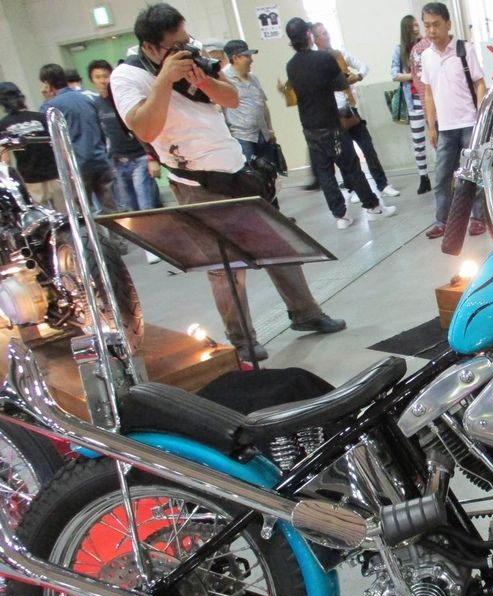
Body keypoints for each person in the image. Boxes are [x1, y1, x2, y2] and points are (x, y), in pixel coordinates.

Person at [111, 3, 346, 363]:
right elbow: (145, 128)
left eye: (186, 40)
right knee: (224, 266)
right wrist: (164, 80)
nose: (184, 49)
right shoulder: (128, 76)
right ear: (150, 47)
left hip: (237, 169)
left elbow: (231, 99)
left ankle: (306, 313)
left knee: (278, 244)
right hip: (196, 182)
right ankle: (242, 340)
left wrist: (202, 79)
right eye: (175, 45)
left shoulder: (193, 59)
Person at [284, 17, 397, 229]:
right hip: (331, 124)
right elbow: (340, 84)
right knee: (351, 166)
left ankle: (340, 216)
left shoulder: (291, 66)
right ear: (308, 35)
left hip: (309, 127)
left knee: (325, 173)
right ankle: (372, 207)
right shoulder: (323, 59)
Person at [419, 1, 487, 240]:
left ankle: (478, 219)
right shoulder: (426, 56)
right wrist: (431, 126)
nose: (431, 31)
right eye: (427, 25)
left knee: (474, 174)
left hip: (469, 123)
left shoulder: (464, 49)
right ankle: (442, 221)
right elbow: (428, 93)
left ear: (448, 24)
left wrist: (480, 116)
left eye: (436, 25)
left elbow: (479, 83)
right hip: (445, 128)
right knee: (442, 178)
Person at [310, 22, 400, 200]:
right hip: (333, 114)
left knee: (367, 147)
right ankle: (354, 189)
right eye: (322, 34)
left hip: (350, 109)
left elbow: (363, 67)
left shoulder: (340, 54)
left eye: (327, 32)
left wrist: (357, 76)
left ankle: (382, 183)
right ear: (315, 39)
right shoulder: (316, 62)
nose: (327, 36)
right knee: (346, 155)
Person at [39, 63, 117, 213]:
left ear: (47, 84)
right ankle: (117, 229)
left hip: (77, 164)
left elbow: (49, 135)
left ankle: (94, 230)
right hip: (100, 159)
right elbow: (101, 129)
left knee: (84, 212)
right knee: (110, 207)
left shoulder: (51, 106)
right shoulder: (87, 98)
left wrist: (46, 100)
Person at [87, 60, 162, 212]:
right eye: (98, 77)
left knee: (146, 206)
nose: (102, 81)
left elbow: (142, 125)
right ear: (92, 80)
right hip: (118, 161)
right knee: (130, 208)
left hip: (140, 157)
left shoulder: (122, 98)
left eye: (106, 76)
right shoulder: (96, 104)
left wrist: (152, 158)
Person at [0, 81, 64, 213]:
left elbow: (5, 160)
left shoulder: (3, 125)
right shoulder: (41, 117)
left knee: (43, 219)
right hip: (55, 174)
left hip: (30, 179)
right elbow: (60, 146)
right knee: (67, 217)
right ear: (21, 98)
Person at [392, 15, 432, 195]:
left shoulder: (426, 45)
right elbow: (394, 74)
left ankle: (446, 175)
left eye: (417, 25)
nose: (416, 29)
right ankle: (423, 176)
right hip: (414, 99)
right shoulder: (399, 50)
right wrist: (414, 75)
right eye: (412, 26)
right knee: (418, 141)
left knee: (438, 137)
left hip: (430, 97)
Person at [221, 39, 277, 164]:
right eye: (247, 56)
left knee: (269, 170)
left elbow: (263, 105)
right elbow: (219, 109)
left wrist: (270, 130)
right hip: (242, 138)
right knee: (250, 173)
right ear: (235, 58)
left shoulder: (253, 78)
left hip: (263, 135)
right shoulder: (224, 79)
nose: (251, 60)